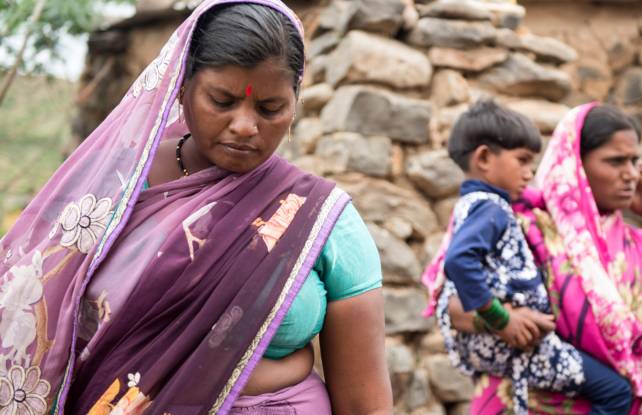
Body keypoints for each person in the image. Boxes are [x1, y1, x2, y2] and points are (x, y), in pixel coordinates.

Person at [0, 1, 392, 414]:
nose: (245, 125)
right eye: (222, 101)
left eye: (269, 108)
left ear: (294, 102)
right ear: (182, 88)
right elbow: (30, 310)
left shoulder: (319, 217)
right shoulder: (108, 188)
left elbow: (365, 404)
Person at [424, 102, 642, 414]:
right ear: (576, 165)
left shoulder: (635, 249)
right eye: (615, 162)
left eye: (634, 161)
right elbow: (452, 306)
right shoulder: (526, 223)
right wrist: (504, 320)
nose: (629, 174)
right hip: (521, 402)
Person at [428, 100, 633, 414]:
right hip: (519, 339)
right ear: (483, 157)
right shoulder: (491, 208)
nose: (530, 172)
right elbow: (458, 262)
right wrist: (501, 319)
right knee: (616, 392)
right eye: (522, 160)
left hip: (513, 345)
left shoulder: (475, 205)